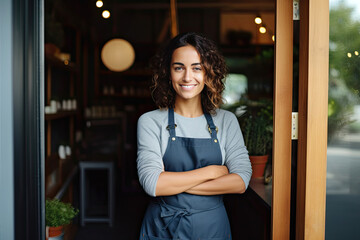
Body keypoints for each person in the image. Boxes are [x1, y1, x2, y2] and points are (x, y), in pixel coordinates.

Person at [137, 32, 252, 240]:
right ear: (168, 72)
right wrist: (213, 171)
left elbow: (240, 182)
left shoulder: (226, 121)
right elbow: (153, 184)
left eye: (197, 68)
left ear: (208, 73)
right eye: (179, 67)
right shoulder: (150, 121)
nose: (187, 77)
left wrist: (172, 185)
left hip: (212, 229)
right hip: (163, 228)